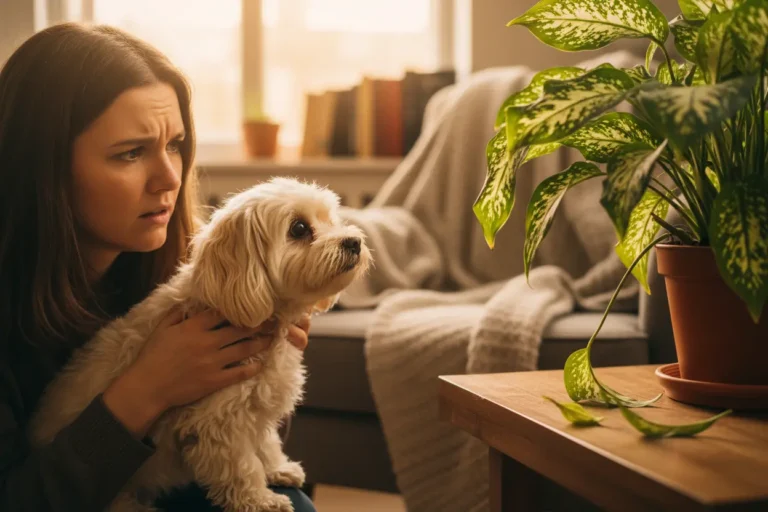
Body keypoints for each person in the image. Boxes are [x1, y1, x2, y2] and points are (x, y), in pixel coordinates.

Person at [0, 22, 316, 511]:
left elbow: (220, 436)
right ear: (45, 165)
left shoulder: (168, 278)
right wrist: (145, 390)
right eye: (131, 153)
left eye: (175, 144)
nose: (169, 178)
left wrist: (259, 365)